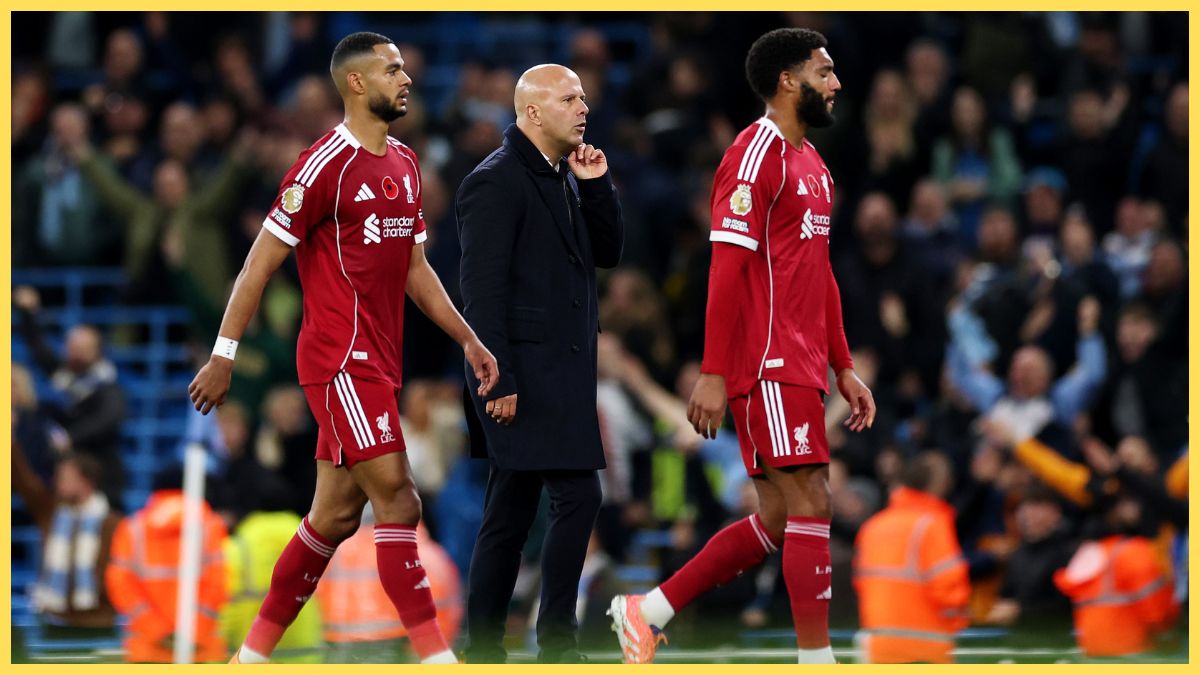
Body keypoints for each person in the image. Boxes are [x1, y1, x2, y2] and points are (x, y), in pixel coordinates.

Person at [188, 32, 498, 665]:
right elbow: (258, 264)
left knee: (331, 517)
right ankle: (437, 658)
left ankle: (248, 659)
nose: (406, 79)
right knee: (401, 497)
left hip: (381, 362)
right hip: (339, 357)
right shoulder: (321, 165)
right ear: (356, 83)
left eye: (405, 69)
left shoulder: (406, 164)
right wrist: (223, 353)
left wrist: (469, 338)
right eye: (392, 70)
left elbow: (415, 270)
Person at [608, 28, 876, 665]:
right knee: (814, 500)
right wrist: (712, 371)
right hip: (769, 360)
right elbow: (725, 267)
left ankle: (648, 611)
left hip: (806, 361)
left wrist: (843, 364)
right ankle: (818, 660)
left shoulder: (814, 164)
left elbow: (822, 273)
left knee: (783, 519)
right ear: (788, 80)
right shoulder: (754, 155)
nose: (836, 84)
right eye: (824, 72)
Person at [456, 63, 623, 663]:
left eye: (583, 96)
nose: (584, 107)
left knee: (510, 510)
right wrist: (498, 375)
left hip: (562, 374)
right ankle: (556, 642)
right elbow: (482, 293)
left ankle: (482, 650)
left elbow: (608, 252)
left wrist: (598, 184)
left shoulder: (565, 175)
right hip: (520, 375)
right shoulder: (494, 182)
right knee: (580, 496)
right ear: (531, 112)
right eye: (569, 98)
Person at [852, 452, 970, 664]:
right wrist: (961, 620)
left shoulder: (873, 526)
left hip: (877, 644)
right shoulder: (932, 525)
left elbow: (861, 583)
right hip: (925, 646)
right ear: (939, 483)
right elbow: (948, 588)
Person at [105, 467, 229, 662]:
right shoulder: (211, 526)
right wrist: (193, 633)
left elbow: (120, 585)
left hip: (147, 651)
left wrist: (157, 632)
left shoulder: (132, 528)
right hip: (199, 651)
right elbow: (220, 584)